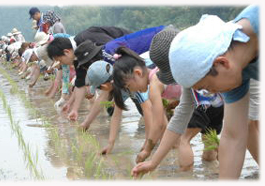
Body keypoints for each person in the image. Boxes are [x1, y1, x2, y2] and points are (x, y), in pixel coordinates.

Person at [132, 5, 259, 179]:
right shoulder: (232, 75)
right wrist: (154, 162)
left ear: (222, 63)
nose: (211, 93)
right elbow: (233, 136)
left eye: (208, 87)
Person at [112, 46, 224, 166]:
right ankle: (216, 172)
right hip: (213, 98)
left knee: (184, 140)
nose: (132, 91)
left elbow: (158, 124)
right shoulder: (159, 71)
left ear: (138, 73)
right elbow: (179, 92)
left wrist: (147, 150)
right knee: (209, 142)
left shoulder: (154, 86)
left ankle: (185, 177)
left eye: (129, 86)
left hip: (199, 100)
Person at [63, 25, 165, 121]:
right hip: (155, 48)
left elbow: (143, 103)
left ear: (92, 61)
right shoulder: (107, 61)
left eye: (87, 66)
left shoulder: (112, 57)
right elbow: (106, 95)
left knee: (147, 100)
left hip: (162, 40)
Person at [84, 60, 156, 157]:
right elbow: (116, 116)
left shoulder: (131, 80)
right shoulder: (120, 86)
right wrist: (110, 144)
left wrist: (147, 144)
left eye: (99, 89)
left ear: (104, 86)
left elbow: (147, 111)